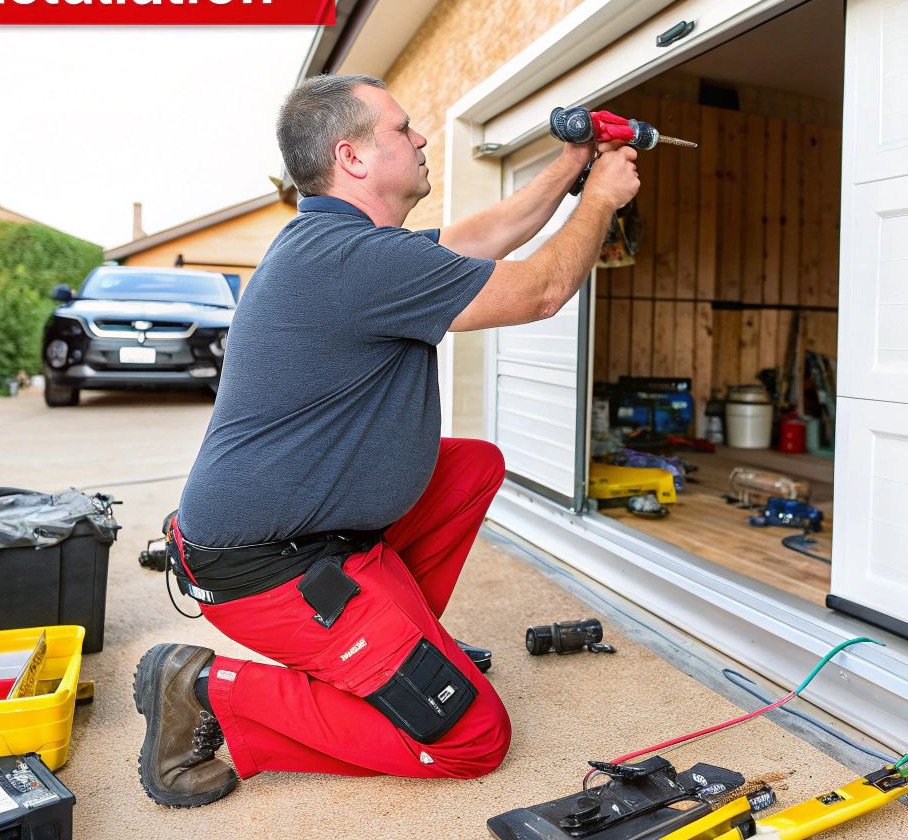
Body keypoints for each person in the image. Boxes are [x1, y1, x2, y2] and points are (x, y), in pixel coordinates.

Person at [133, 73, 641, 807]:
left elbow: (484, 237)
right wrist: (600, 200)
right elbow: (541, 291)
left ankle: (393, 652)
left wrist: (571, 167)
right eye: (404, 129)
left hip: (319, 535)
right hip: (268, 568)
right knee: (471, 740)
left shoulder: (348, 246)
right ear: (354, 156)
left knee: (471, 466)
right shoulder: (355, 262)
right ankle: (209, 687)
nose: (423, 137)